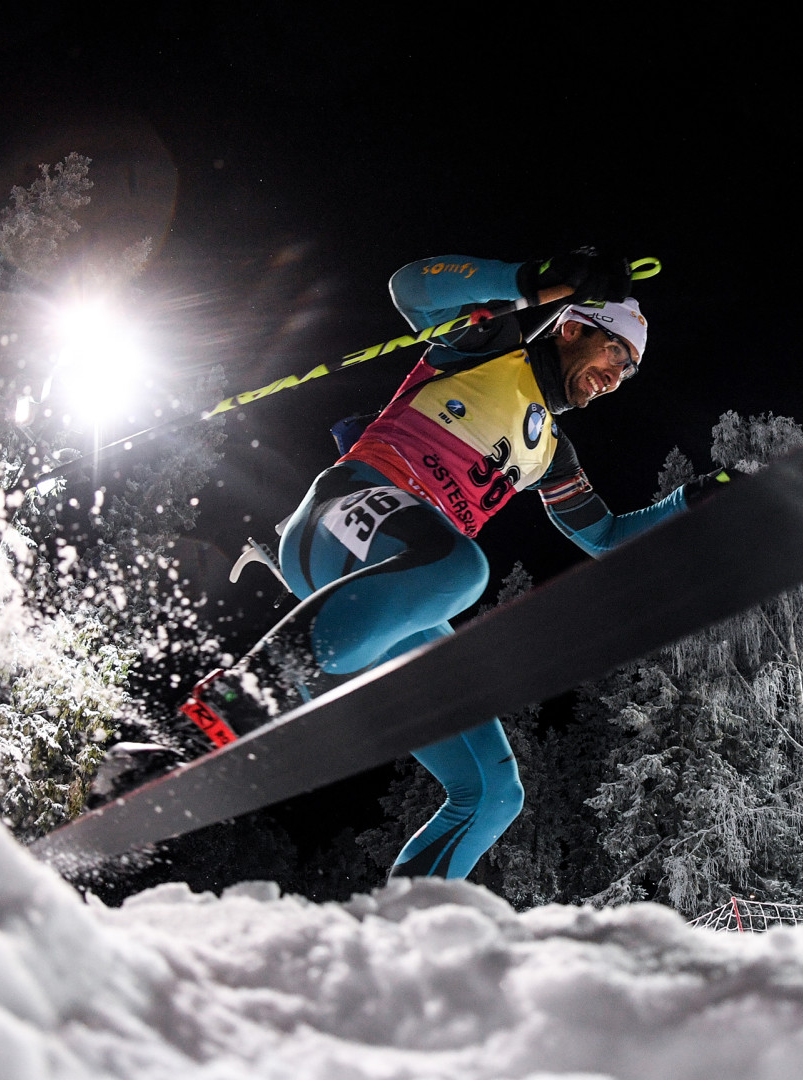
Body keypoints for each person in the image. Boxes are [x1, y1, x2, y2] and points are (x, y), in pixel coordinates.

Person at [232, 248, 725, 880]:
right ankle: (251, 691)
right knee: (461, 569)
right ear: (573, 328)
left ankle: (406, 927)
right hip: (344, 517)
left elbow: (605, 537)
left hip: (395, 595)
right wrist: (533, 282)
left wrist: (693, 501)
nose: (615, 377)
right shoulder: (491, 344)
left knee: (493, 792)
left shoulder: (552, 451)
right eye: (614, 354)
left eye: (628, 371)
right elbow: (410, 287)